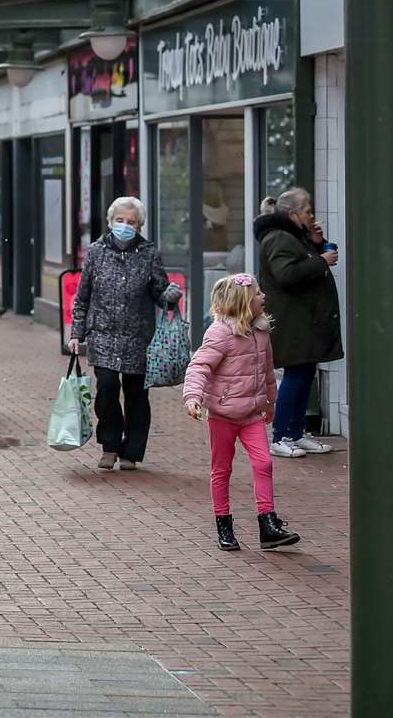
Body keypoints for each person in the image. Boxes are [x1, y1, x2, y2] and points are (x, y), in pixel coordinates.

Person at [183, 274, 300, 551]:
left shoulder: (261, 332)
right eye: (258, 293)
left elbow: (268, 373)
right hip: (223, 415)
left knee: (264, 463)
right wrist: (192, 397)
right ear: (244, 301)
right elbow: (199, 367)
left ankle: (267, 524)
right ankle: (224, 525)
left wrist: (270, 403)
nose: (263, 297)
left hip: (251, 415)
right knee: (221, 470)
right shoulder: (219, 333)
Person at [67, 196, 182, 471]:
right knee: (106, 389)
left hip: (138, 335)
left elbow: (159, 291)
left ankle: (131, 451)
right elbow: (82, 297)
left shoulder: (149, 253)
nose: (125, 226)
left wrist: (170, 295)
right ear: (110, 222)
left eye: (131, 222)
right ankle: (110, 445)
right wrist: (76, 333)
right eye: (120, 221)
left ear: (139, 225)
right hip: (103, 333)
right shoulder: (96, 252)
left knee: (136, 396)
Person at [254, 188, 341, 457]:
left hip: (304, 320)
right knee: (295, 376)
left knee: (305, 374)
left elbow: (299, 263)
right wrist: (321, 261)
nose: (312, 215)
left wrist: (315, 243)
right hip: (293, 321)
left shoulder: (293, 236)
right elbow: (287, 275)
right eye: (307, 211)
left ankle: (296, 432)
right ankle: (280, 435)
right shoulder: (278, 237)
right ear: (292, 214)